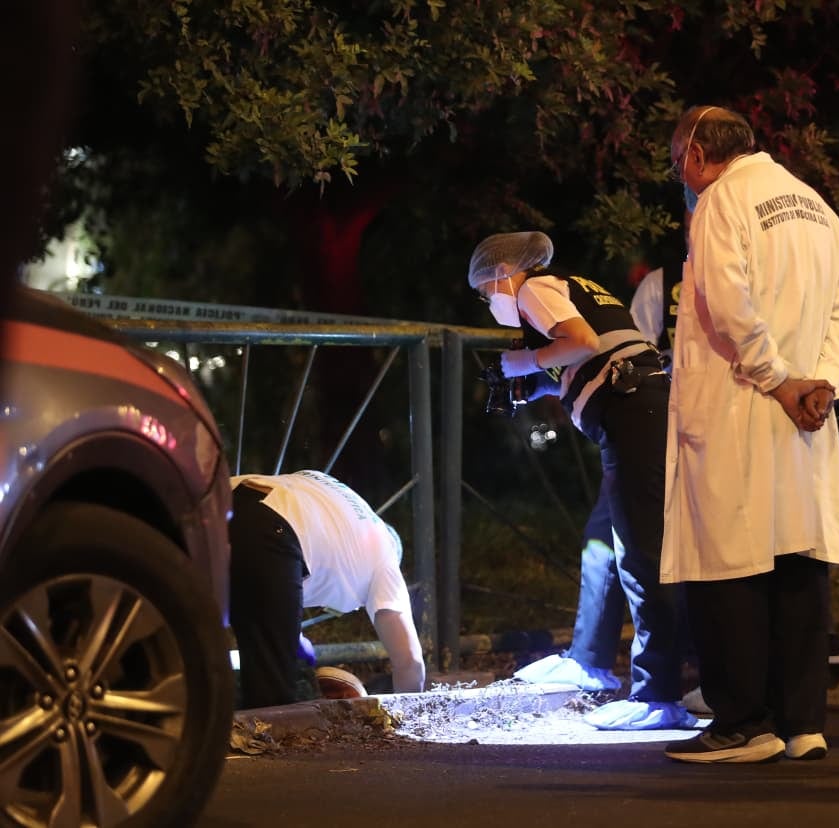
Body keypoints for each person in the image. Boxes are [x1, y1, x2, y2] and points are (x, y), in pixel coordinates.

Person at [660, 105, 839, 764]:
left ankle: (743, 722)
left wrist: (778, 380)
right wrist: (824, 382)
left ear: (694, 153)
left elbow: (728, 304)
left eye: (675, 158)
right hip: (807, 415)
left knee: (729, 563)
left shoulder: (721, 202)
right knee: (798, 560)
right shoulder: (815, 206)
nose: (678, 172)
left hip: (742, 407)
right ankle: (803, 722)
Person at [468, 230, 694, 730]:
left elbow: (583, 342)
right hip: (641, 411)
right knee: (603, 544)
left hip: (635, 415)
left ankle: (659, 695)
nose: (490, 302)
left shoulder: (532, 289)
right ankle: (591, 662)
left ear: (503, 274)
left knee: (641, 555)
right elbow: (595, 352)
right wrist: (537, 384)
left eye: (487, 292)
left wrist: (522, 361)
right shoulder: (578, 284)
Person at [229, 470, 426, 709]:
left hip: (222, 500)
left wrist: (292, 638)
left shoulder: (339, 501)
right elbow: (411, 662)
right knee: (272, 702)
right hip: (274, 531)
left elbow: (262, 594)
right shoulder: (385, 556)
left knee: (188, 635)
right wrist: (406, 719)